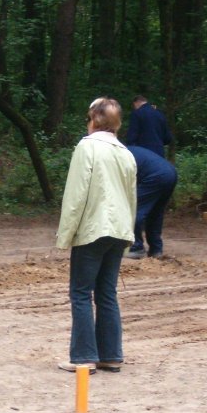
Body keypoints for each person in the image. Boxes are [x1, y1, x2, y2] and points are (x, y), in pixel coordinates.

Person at [55, 97, 138, 374]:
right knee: (107, 293)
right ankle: (110, 356)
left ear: (94, 119)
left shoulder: (87, 146)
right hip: (119, 230)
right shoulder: (126, 153)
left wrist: (65, 234)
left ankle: (83, 358)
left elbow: (76, 194)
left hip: (93, 229)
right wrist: (129, 235)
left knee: (81, 293)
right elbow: (132, 198)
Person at [126, 145, 178, 259]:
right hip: (170, 172)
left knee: (134, 209)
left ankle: (136, 247)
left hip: (156, 175)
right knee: (156, 212)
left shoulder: (117, 155)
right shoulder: (127, 151)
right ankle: (156, 249)